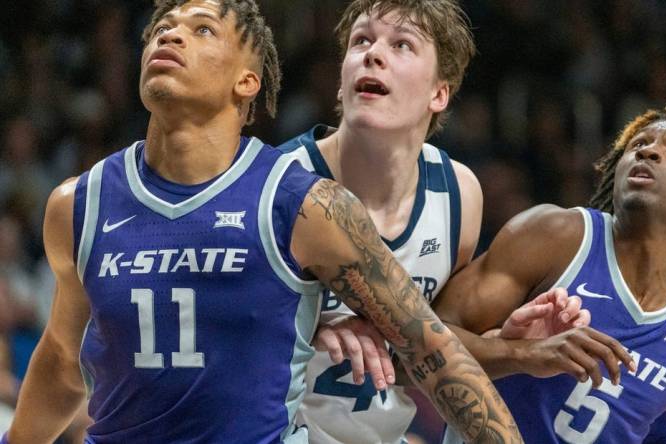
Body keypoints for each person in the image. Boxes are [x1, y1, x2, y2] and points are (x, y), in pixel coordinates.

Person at [2, 1, 523, 443]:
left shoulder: (304, 203)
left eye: (201, 29)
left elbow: (434, 351)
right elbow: (61, 359)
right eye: (163, 29)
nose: (171, 34)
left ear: (247, 80)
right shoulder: (77, 203)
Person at [277, 1, 632, 443]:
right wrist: (310, 329)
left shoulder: (457, 195)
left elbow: (430, 351)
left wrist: (509, 342)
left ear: (438, 94)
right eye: (361, 41)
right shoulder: (278, 183)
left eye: (402, 44)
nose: (373, 53)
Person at [437, 101, 666, 443]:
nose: (649, 153)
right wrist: (522, 355)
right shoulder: (556, 236)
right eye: (638, 145)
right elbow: (417, 342)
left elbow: (655, 431)